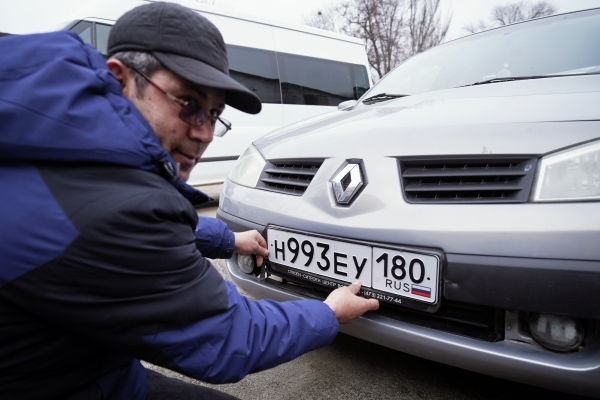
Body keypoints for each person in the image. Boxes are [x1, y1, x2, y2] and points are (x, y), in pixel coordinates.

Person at [0, 2, 379, 400]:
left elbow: (115, 227)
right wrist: (329, 311)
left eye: (214, 114)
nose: (205, 134)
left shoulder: (50, 138)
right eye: (189, 104)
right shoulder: (111, 208)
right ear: (121, 79)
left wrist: (230, 240)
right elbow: (228, 337)